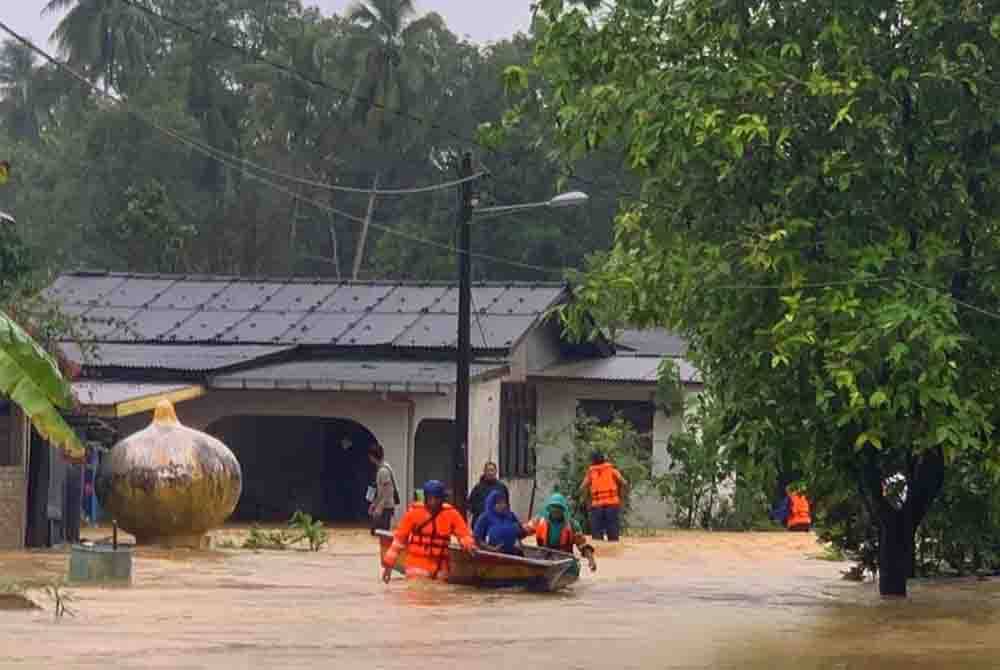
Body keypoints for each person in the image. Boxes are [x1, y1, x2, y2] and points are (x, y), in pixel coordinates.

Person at [382, 480, 475, 582]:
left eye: (436, 498)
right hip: (416, 566)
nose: (433, 502)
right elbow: (398, 542)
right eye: (430, 498)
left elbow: (464, 534)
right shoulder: (414, 513)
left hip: (440, 567)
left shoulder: (451, 514)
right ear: (425, 498)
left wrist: (468, 543)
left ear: (442, 499)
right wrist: (388, 567)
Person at [528, 493, 597, 572]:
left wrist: (591, 561)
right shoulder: (538, 520)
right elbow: (523, 530)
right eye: (553, 507)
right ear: (549, 508)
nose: (555, 510)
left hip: (564, 560)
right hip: (544, 557)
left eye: (558, 507)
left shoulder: (573, 525)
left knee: (572, 567)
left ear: (563, 509)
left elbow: (583, 546)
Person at [579, 451, 627, 542]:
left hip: (597, 507)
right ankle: (614, 553)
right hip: (612, 506)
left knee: (597, 537)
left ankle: (600, 554)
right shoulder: (612, 470)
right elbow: (624, 483)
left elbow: (582, 487)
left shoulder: (591, 472)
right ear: (604, 459)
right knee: (613, 535)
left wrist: (587, 502)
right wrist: (621, 499)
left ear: (592, 461)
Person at [473, 489, 527, 555]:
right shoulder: (485, 517)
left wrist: (523, 531)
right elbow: (477, 539)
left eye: (504, 502)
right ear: (492, 504)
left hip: (513, 553)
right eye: (499, 503)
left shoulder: (510, 515)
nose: (503, 505)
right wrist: (492, 549)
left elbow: (521, 534)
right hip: (493, 556)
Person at [367, 443, 399, 535]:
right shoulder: (383, 467)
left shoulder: (383, 471)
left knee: (381, 534)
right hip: (383, 506)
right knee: (376, 533)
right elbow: (381, 491)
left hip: (386, 507)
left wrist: (380, 507)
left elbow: (388, 491)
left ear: (372, 457)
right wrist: (374, 504)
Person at [467, 461, 509, 527]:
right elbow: (470, 506)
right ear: (484, 472)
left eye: (492, 470)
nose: (490, 473)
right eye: (488, 470)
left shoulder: (501, 487)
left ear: (496, 472)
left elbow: (506, 507)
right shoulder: (478, 488)